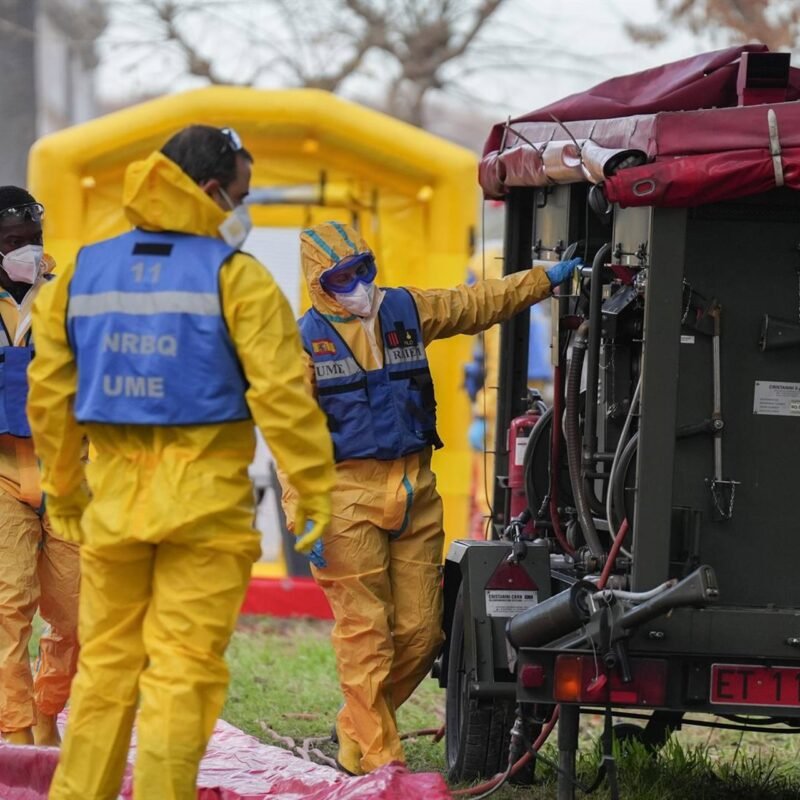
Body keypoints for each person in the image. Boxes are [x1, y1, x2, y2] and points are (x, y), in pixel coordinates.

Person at [27, 125, 335, 800]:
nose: (242, 210)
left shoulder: (81, 271)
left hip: (110, 505)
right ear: (209, 190)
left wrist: (67, 491)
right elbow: (283, 396)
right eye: (242, 196)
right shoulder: (239, 279)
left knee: (104, 670)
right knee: (182, 673)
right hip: (206, 509)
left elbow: (49, 395)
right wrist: (312, 492)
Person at [282, 220, 580, 775]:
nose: (357, 284)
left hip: (414, 490)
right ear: (319, 284)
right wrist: (305, 511)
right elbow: (289, 434)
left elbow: (476, 303)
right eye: (341, 276)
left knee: (423, 632)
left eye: (362, 269)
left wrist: (546, 279)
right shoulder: (302, 343)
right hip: (344, 499)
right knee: (365, 635)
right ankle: (382, 766)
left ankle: (356, 729)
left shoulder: (405, 309)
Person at [0, 186, 80, 748]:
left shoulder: (67, 300)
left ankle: (49, 707)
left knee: (80, 617)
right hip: (2, 472)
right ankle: (15, 730)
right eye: (12, 242)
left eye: (34, 239)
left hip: (67, 470)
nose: (28, 250)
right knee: (9, 605)